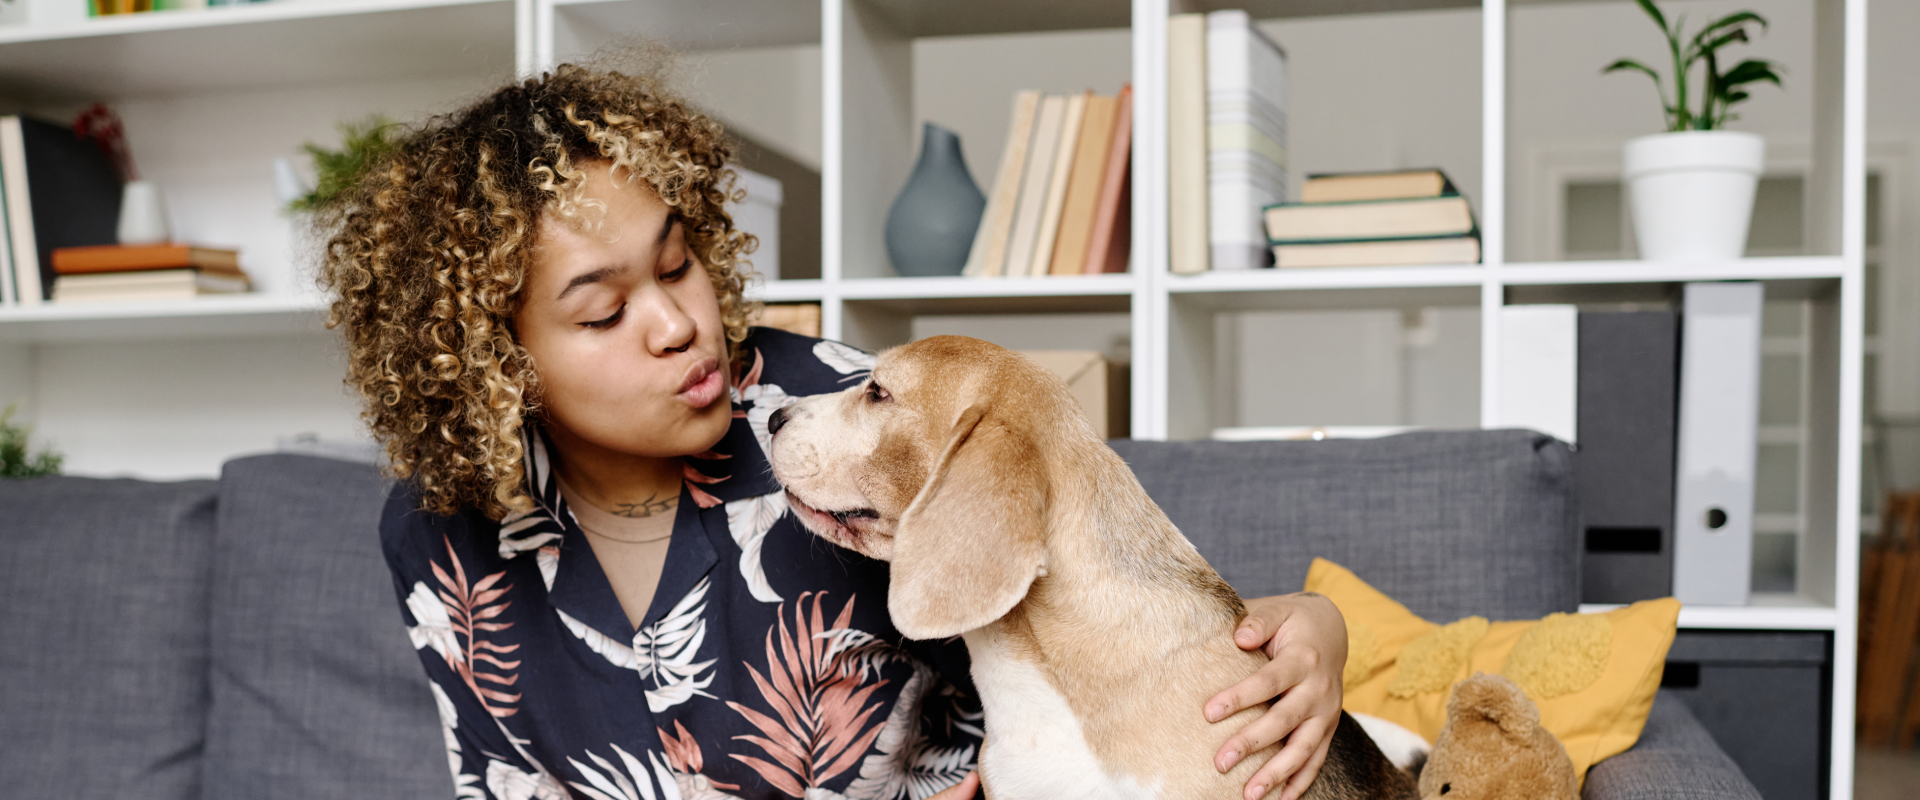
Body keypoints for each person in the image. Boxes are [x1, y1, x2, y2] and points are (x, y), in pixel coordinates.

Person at [316, 60, 1349, 800]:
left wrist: (1315, 626)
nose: (680, 324)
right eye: (601, 311)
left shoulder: (852, 420)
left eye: (677, 265)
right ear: (498, 357)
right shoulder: (439, 531)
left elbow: (1121, 596)